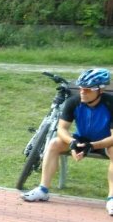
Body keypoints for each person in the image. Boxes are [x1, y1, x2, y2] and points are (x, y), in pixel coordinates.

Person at [21, 68, 113, 213]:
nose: (82, 92)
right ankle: (43, 190)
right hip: (81, 138)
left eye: (88, 89)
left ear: (100, 90)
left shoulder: (111, 104)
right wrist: (72, 142)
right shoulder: (74, 101)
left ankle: (111, 199)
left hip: (106, 141)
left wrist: (92, 146)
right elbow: (62, 129)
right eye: (81, 88)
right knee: (54, 144)